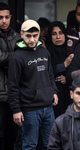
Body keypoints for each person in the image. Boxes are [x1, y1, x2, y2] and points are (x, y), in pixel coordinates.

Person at [7, 19, 58, 150]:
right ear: (21, 34)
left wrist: (54, 92)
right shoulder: (17, 57)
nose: (32, 39)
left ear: (39, 34)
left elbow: (50, 75)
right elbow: (12, 85)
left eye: (35, 35)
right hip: (29, 109)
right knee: (30, 146)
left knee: (50, 145)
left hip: (48, 107)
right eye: (28, 36)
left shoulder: (45, 52)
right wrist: (16, 110)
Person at [0, 2, 21, 150]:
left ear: (11, 17)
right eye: (0, 17)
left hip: (15, 94)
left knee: (14, 134)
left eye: (7, 17)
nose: (4, 21)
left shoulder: (17, 36)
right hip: (0, 95)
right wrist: (15, 58)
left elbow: (23, 59)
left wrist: (8, 61)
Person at [46, 21, 74, 118]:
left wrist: (67, 78)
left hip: (68, 95)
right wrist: (64, 64)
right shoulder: (46, 52)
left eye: (61, 33)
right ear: (50, 36)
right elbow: (45, 71)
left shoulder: (70, 50)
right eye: (54, 34)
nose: (58, 37)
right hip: (52, 97)